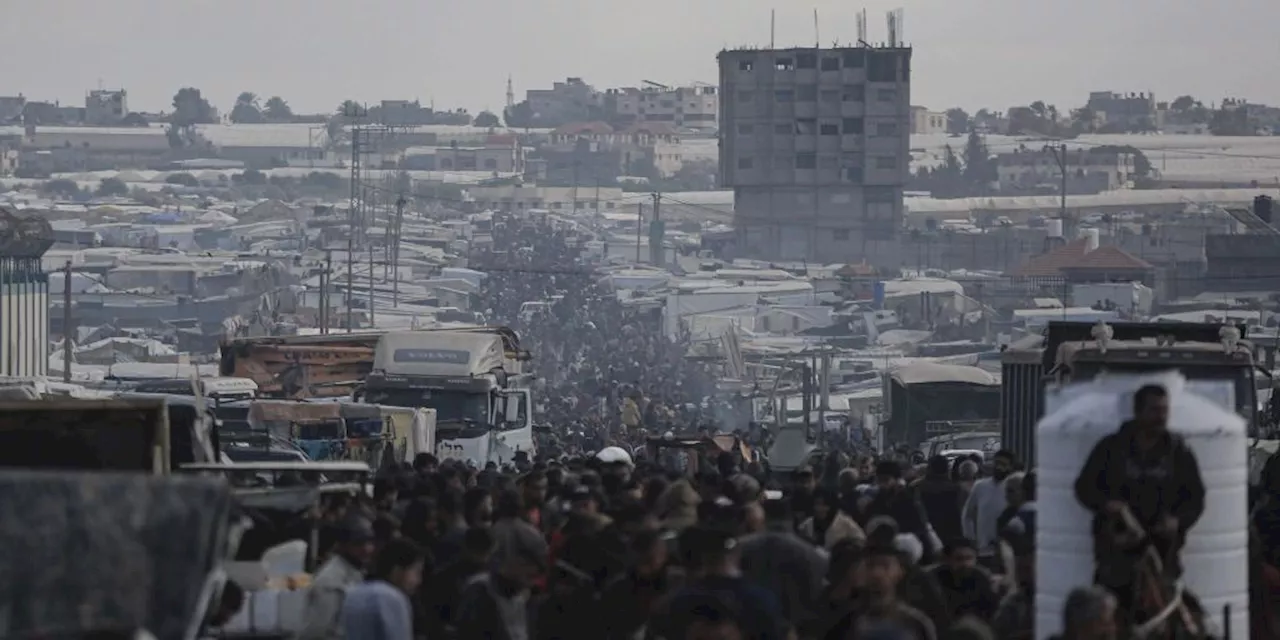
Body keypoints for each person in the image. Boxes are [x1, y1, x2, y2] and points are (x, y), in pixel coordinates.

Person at [1074, 385, 1206, 611]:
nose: (1161, 417)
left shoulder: (1178, 452)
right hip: (1116, 555)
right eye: (1154, 410)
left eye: (1164, 410)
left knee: (1182, 616)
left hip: (1162, 555)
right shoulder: (1111, 449)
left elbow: (1195, 498)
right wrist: (1108, 505)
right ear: (1138, 412)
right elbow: (1084, 488)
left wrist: (1177, 521)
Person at [825, 537, 938, 640]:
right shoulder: (846, 622)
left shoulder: (916, 623)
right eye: (870, 566)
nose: (877, 573)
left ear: (900, 572)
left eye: (885, 566)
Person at [298, 515, 376, 640]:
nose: (366, 549)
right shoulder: (330, 582)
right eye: (358, 544)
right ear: (343, 545)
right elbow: (317, 632)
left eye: (369, 542)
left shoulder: (358, 571)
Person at [342, 538, 426, 640]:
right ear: (397, 570)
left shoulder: (356, 591)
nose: (418, 580)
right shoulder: (392, 598)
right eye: (416, 571)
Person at [961, 450, 1016, 569]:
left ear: (1010, 467)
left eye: (1003, 464)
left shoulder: (1014, 487)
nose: (999, 467)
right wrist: (971, 538)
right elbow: (967, 515)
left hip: (1008, 551)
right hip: (983, 549)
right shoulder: (980, 486)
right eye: (997, 463)